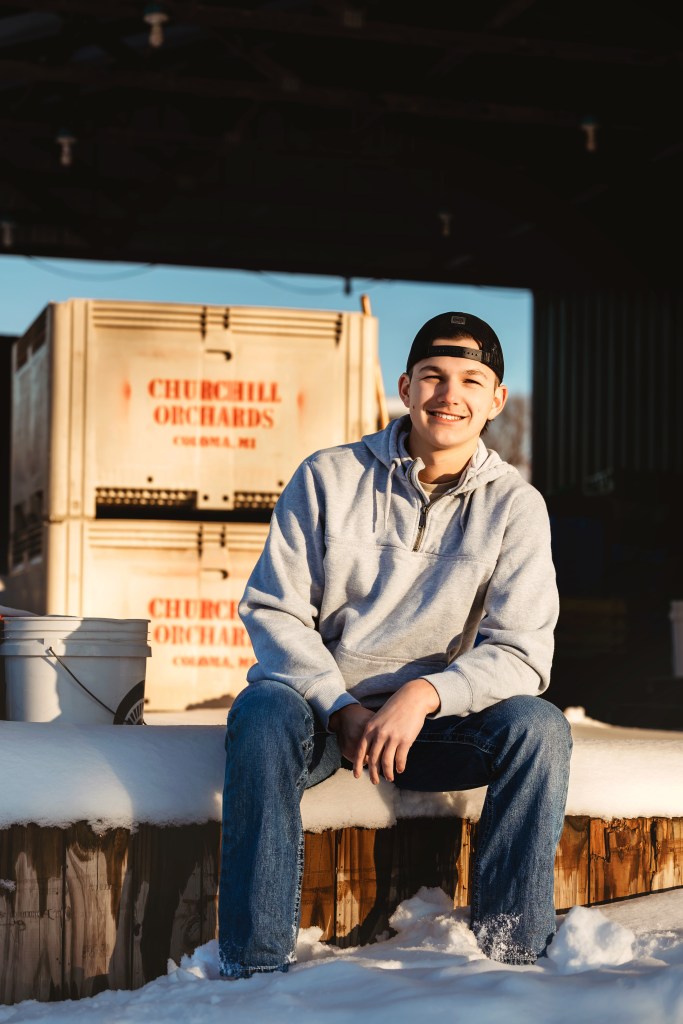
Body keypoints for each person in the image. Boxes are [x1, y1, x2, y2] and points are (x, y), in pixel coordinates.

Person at [218, 311, 572, 977]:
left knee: (539, 729)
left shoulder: (515, 507)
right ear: (406, 387)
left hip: (435, 728)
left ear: (495, 399)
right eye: (433, 377)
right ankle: (254, 969)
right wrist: (338, 704)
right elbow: (274, 611)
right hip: (323, 720)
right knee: (261, 713)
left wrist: (424, 694)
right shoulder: (326, 477)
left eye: (471, 379)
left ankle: (511, 958)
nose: (449, 394)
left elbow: (523, 651)